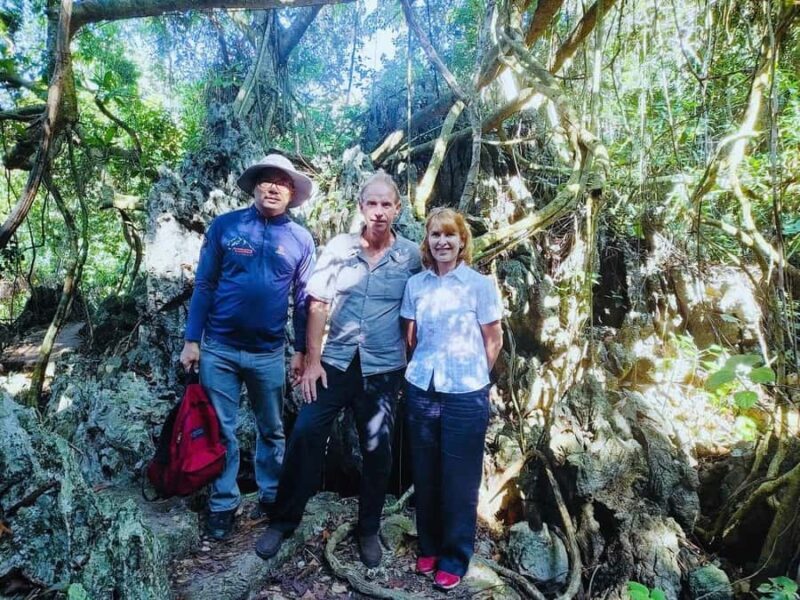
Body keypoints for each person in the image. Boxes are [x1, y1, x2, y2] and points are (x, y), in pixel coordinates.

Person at [255, 171, 422, 567]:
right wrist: (312, 360)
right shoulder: (341, 247)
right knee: (308, 430)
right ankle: (283, 521)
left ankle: (368, 529)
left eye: (387, 204)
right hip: (336, 361)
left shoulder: (411, 255)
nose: (379, 212)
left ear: (397, 209)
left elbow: (427, 300)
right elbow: (317, 302)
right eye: (372, 204)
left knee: (378, 448)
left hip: (384, 368)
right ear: (361, 207)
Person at [179, 154, 316, 541]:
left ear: (292, 192)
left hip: (269, 352)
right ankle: (223, 503)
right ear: (254, 186)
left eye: (282, 182)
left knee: (271, 429)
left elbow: (304, 299)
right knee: (221, 429)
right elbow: (204, 285)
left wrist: (301, 351)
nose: (273, 187)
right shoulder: (226, 227)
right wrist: (192, 341)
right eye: (266, 180)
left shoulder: (301, 239)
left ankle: (272, 496)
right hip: (219, 348)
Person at [400, 208, 503, 590]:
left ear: (462, 241)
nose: (442, 241)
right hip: (422, 389)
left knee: (459, 480)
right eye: (434, 235)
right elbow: (409, 338)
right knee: (425, 473)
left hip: (466, 394)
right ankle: (428, 546)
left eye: (449, 235)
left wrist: (472, 374)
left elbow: (493, 340)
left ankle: (455, 557)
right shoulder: (417, 286)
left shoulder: (479, 285)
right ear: (427, 241)